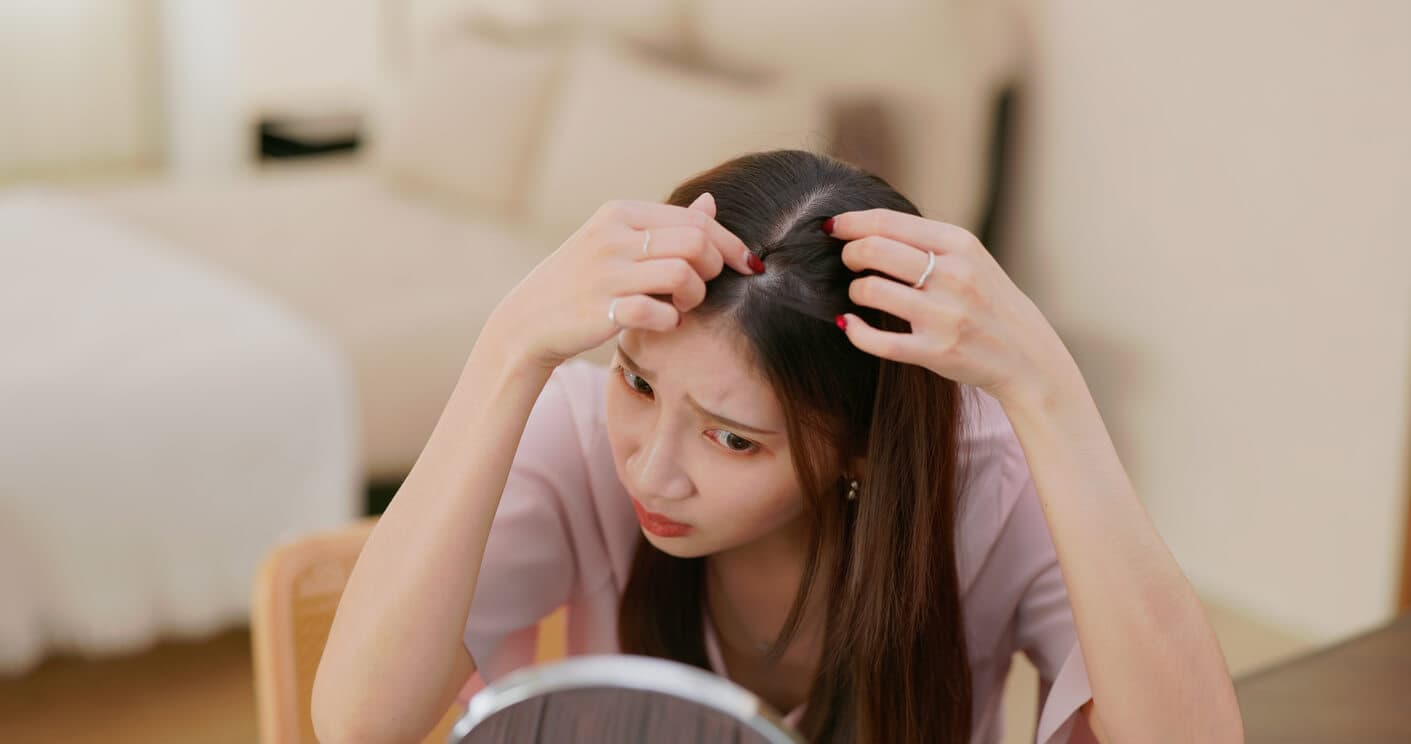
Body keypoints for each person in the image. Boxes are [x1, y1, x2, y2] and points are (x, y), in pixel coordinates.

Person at [312, 149, 1243, 743]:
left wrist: (1050, 390)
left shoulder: (984, 477)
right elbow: (357, 722)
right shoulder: (574, 430)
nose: (651, 467)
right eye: (637, 383)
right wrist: (506, 346)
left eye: (732, 439)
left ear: (861, 453)